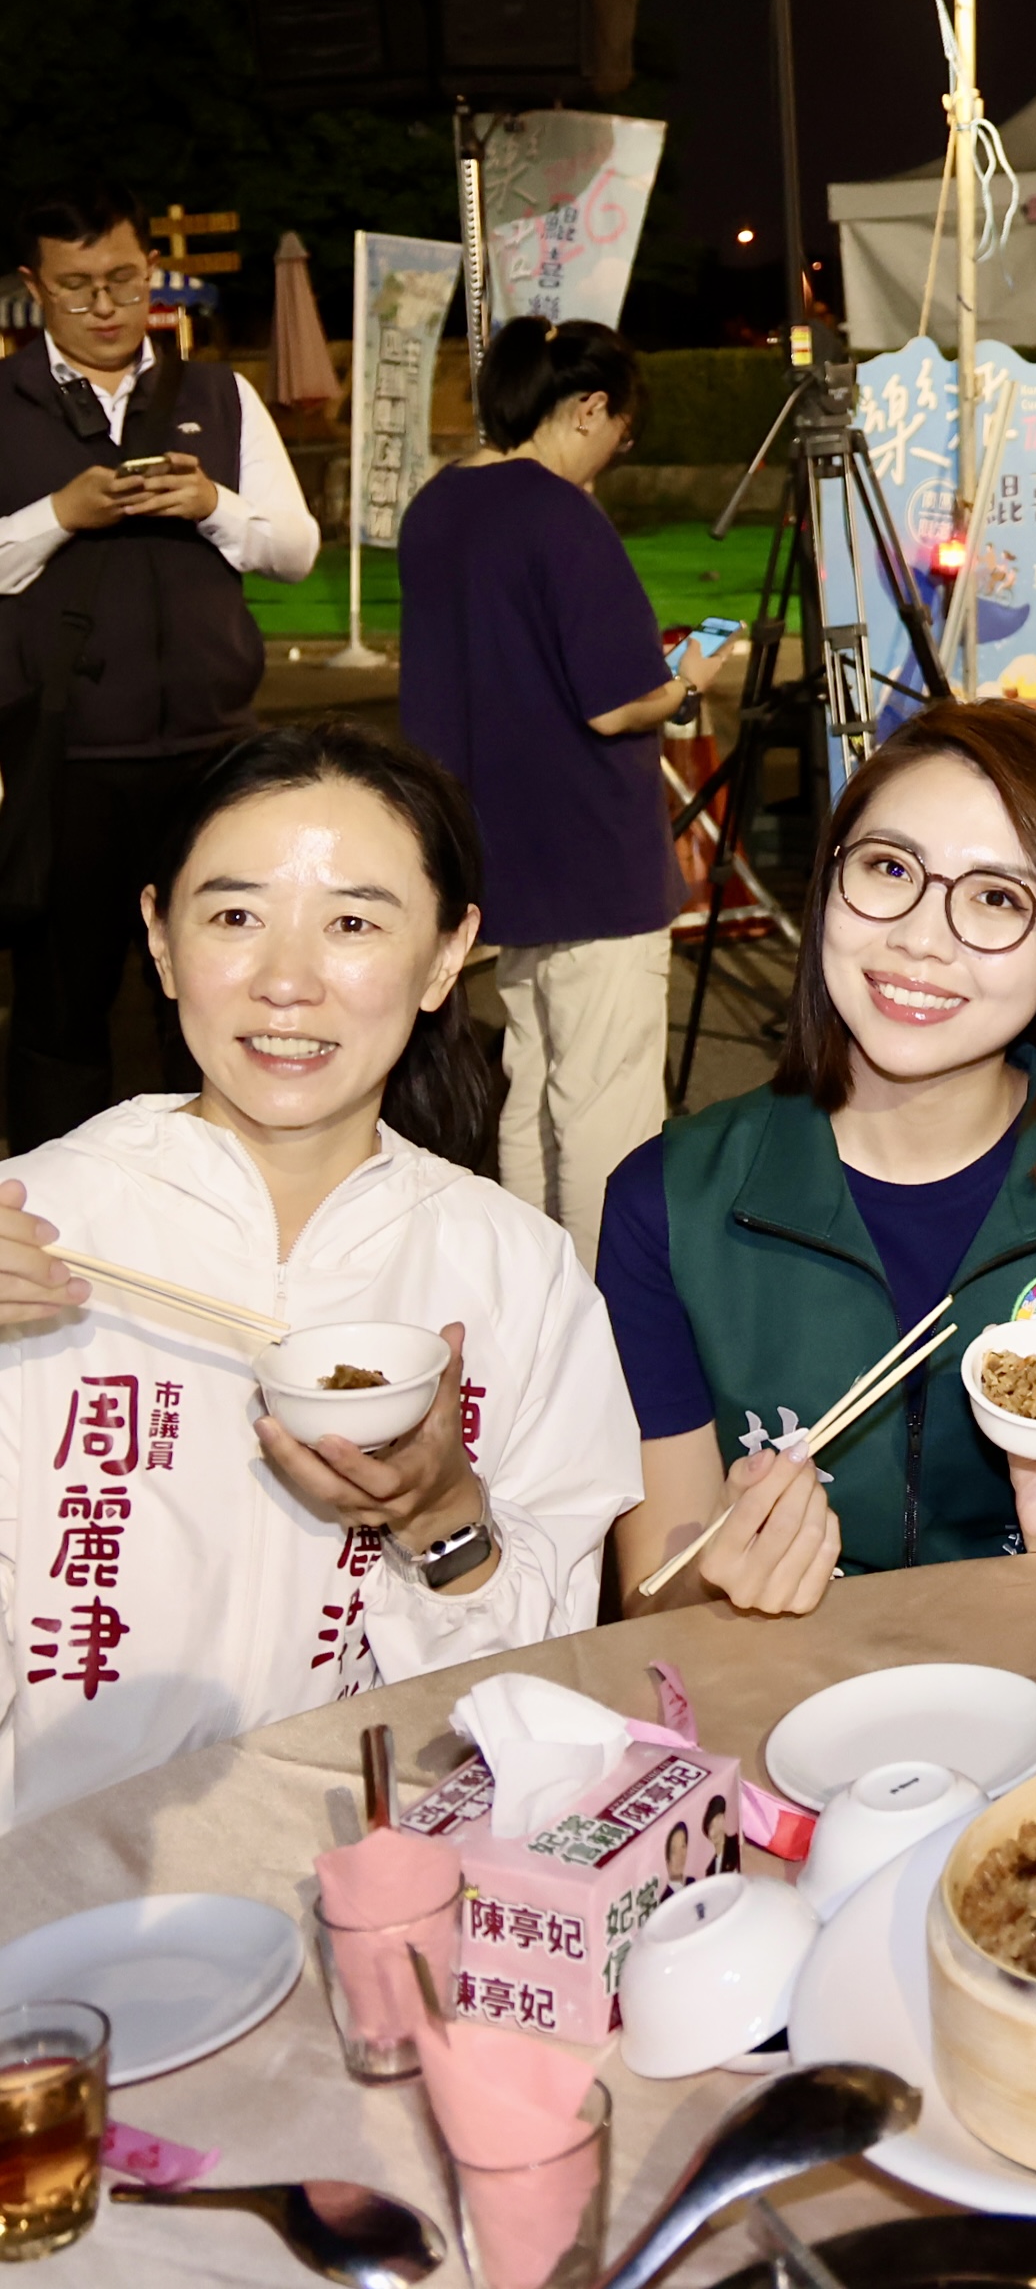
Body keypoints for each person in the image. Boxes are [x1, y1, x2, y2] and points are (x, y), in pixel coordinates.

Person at [0, 723, 640, 1825]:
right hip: (60, 1901)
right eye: (236, 916)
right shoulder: (38, 1226)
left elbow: (542, 1698)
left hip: (376, 1886)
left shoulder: (515, 1270)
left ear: (448, 954)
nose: (286, 982)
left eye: (352, 923)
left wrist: (441, 1513)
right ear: (158, 938)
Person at [597, 700, 1036, 1616]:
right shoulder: (669, 1199)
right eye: (889, 868)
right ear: (828, 889)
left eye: (999, 898)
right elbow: (654, 1594)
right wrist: (719, 1581)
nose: (921, 939)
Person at [400, 316, 726, 1267]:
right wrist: (694, 673)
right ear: (589, 408)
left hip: (494, 848)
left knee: (533, 1079)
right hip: (592, 852)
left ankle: (535, 1292)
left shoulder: (438, 505)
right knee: (607, 1108)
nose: (613, 455)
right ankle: (615, 1318)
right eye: (619, 434)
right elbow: (620, 703)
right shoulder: (557, 512)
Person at [1, 182, 321, 1150]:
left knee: (214, 990)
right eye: (77, 288)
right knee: (64, 1004)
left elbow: (296, 546)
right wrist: (60, 516)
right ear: (32, 288)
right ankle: (65, 1210)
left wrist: (212, 503)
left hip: (213, 756)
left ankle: (211, 1189)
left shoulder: (217, 393)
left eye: (124, 281)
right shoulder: (7, 405)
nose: (105, 307)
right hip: (69, 759)